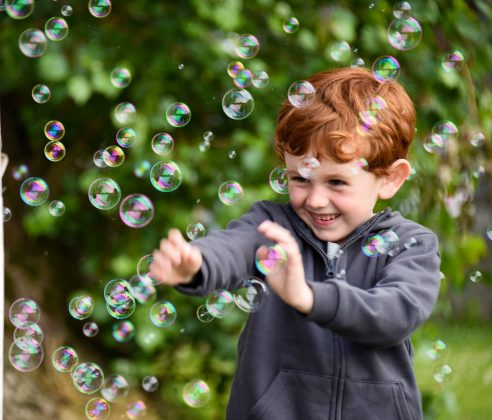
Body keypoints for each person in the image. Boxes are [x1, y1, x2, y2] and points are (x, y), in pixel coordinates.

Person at [149, 67, 441, 420]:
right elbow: (233, 247)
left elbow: (394, 314)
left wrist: (309, 297)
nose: (316, 200)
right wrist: (197, 264)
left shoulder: (411, 245)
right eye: (300, 178)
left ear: (391, 179)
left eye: (336, 182)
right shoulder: (272, 227)